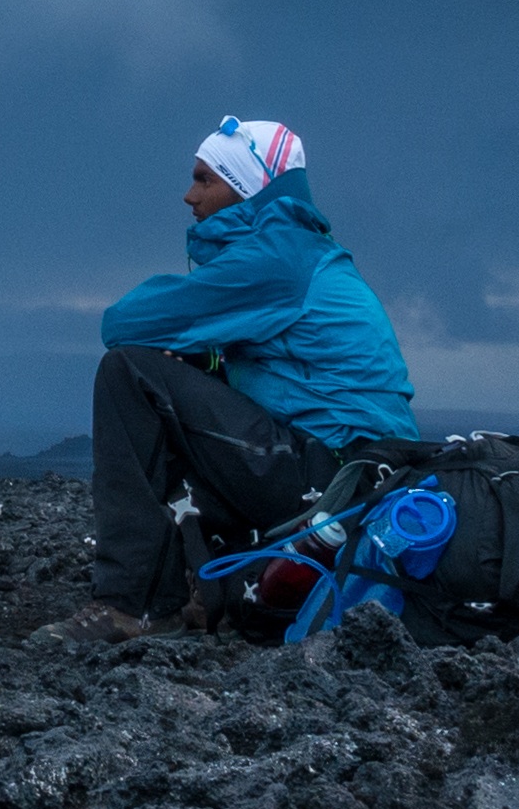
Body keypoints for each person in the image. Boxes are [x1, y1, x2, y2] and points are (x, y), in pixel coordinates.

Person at [64, 117, 420, 642]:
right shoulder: (299, 253)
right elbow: (283, 379)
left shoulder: (277, 259)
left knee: (130, 373)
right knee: (178, 379)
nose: (189, 196)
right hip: (362, 476)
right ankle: (206, 586)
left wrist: (189, 353)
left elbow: (121, 323)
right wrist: (207, 364)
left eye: (205, 179)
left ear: (247, 187)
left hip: (335, 473)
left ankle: (134, 605)